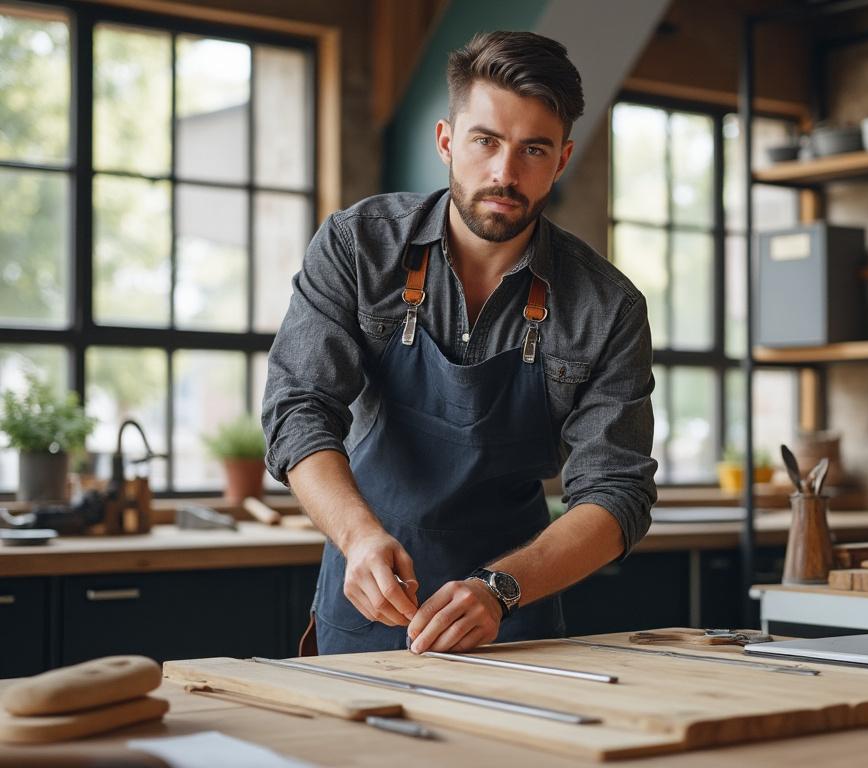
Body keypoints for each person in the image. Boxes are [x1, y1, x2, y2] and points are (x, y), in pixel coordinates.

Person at [262, 30, 656, 656]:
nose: (505, 172)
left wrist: (500, 587)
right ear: (447, 141)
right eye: (486, 141)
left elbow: (618, 492)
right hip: (367, 595)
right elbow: (298, 409)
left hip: (514, 612)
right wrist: (360, 538)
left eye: (534, 149)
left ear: (562, 159)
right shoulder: (357, 246)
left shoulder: (608, 308)